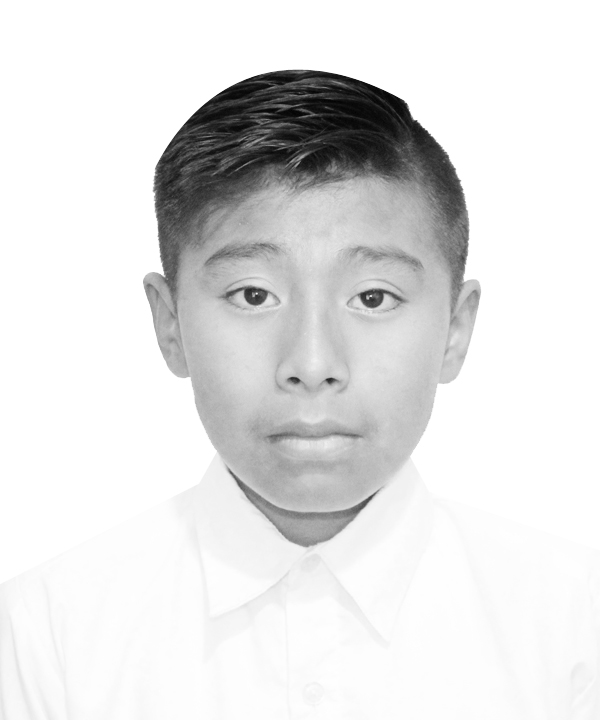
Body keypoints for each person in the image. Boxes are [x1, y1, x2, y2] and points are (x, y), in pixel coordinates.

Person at [0, 70, 598, 719]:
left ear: (455, 330)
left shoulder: (574, 630)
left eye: (374, 297)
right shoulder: (46, 638)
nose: (312, 365)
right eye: (254, 295)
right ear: (171, 325)